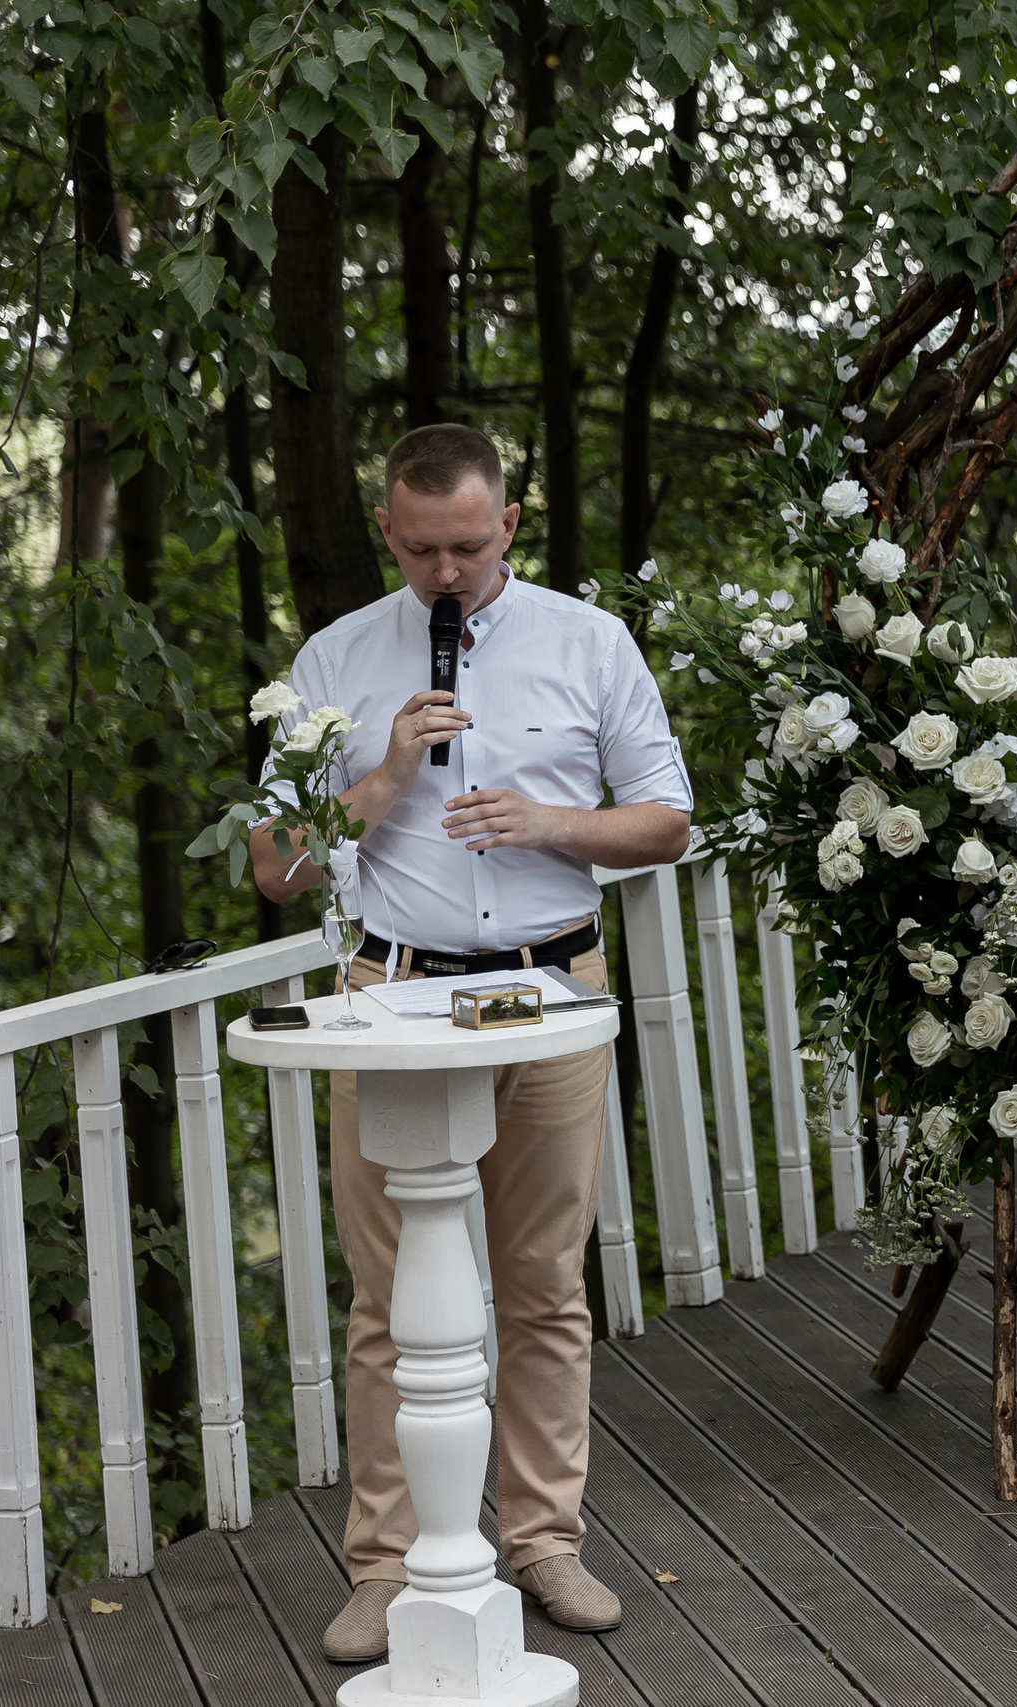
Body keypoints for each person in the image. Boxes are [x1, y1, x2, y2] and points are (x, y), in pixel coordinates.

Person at [252, 423, 695, 1661]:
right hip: (392, 1000)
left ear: (509, 524)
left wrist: (553, 823)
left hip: (550, 994)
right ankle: (389, 1565)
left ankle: (543, 1537)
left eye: (467, 545)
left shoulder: (588, 643)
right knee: (389, 1298)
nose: (445, 572)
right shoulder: (337, 657)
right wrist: (385, 774)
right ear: (388, 531)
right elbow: (276, 870)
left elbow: (665, 823)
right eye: (420, 549)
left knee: (546, 1286)